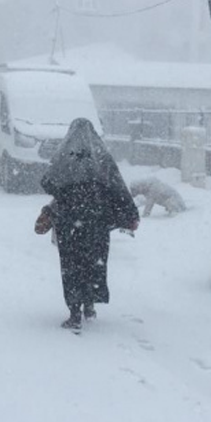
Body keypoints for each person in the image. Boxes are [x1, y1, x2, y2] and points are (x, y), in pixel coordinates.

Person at [37, 118, 140, 330]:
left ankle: (74, 312)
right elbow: (117, 186)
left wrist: (68, 190)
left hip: (69, 222)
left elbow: (48, 182)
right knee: (94, 263)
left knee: (71, 266)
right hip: (96, 222)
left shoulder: (63, 156)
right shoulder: (102, 157)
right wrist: (130, 213)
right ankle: (90, 303)